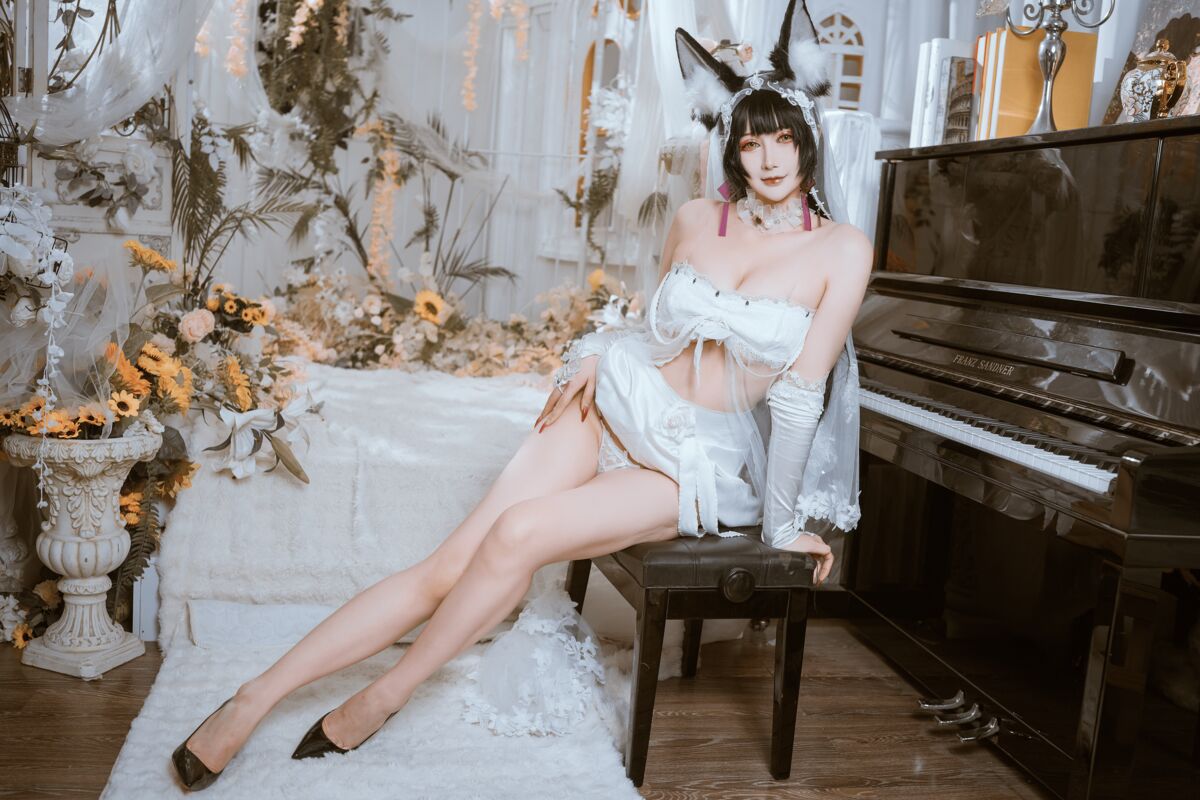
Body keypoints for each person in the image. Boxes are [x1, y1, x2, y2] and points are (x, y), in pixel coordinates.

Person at [170, 0, 870, 790]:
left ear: (809, 138)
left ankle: (386, 694)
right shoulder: (695, 218)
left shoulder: (840, 251)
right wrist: (597, 352)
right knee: (448, 563)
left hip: (691, 463)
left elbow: (800, 397)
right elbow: (651, 321)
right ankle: (252, 698)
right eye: (752, 142)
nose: (770, 160)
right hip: (617, 399)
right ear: (732, 149)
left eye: (784, 140)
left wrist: (785, 528)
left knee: (517, 534)